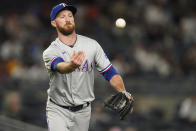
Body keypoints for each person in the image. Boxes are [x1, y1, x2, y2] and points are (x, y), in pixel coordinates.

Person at [43, 3, 132, 131]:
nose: (67, 19)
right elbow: (61, 67)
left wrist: (123, 91)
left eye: (70, 15)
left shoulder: (92, 45)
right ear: (54, 23)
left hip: (83, 111)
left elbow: (110, 72)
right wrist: (71, 65)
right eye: (62, 17)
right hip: (57, 109)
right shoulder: (51, 51)